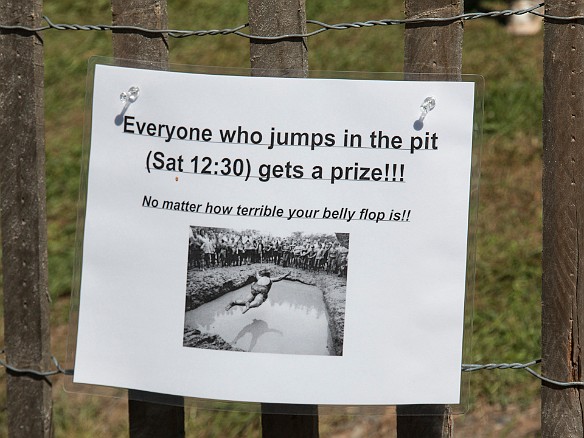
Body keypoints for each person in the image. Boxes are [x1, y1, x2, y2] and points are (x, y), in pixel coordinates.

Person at [225, 270, 291, 314]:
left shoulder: (259, 278)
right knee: (257, 302)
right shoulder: (270, 279)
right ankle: (249, 306)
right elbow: (279, 278)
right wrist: (286, 274)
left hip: (254, 288)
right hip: (262, 290)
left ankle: (234, 302)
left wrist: (256, 271)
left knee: (245, 301)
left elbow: (256, 274)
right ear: (268, 275)